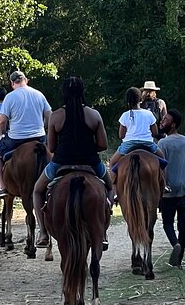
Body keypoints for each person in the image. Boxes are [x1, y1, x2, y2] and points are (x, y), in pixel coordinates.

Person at [33, 76, 113, 247]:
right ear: (83, 92)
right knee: (110, 187)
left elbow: (52, 147)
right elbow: (103, 144)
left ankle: (43, 232)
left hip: (61, 163)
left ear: (64, 93)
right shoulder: (94, 114)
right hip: (91, 163)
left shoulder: (56, 116)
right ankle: (103, 230)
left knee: (37, 191)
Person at [0, 71, 52, 199]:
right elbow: (49, 116)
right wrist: (44, 126)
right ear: (26, 80)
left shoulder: (10, 97)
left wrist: (2, 134)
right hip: (39, 136)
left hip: (16, 138)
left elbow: (2, 121)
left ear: (13, 83)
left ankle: (2, 187)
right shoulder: (39, 94)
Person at [158, 109, 185, 268]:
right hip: (184, 190)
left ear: (173, 124)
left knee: (167, 223)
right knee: (182, 225)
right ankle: (179, 260)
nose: (162, 122)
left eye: (165, 120)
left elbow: (160, 169)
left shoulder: (162, 143)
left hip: (168, 191)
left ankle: (175, 244)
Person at [108, 87, 166, 170]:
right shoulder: (149, 114)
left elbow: (121, 135)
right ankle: (163, 182)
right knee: (163, 160)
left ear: (127, 101)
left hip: (128, 145)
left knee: (112, 163)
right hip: (147, 144)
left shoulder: (125, 115)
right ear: (140, 99)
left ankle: (113, 183)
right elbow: (155, 133)